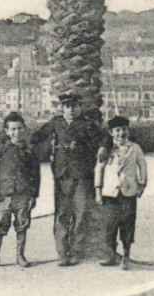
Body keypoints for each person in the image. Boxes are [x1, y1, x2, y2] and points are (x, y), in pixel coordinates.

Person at [33, 94, 105, 266]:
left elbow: (104, 137)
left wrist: (102, 147)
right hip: (62, 174)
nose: (71, 110)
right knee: (62, 213)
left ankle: (75, 250)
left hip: (81, 174)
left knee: (80, 213)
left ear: (80, 107)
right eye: (67, 106)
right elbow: (37, 136)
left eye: (74, 106)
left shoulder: (87, 124)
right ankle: (61, 251)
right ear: (62, 108)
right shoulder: (56, 123)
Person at [0, 110, 38, 268]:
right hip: (4, 195)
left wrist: (33, 195)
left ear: (24, 129)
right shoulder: (1, 151)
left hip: (23, 195)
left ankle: (20, 255)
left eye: (19, 128)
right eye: (13, 129)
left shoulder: (29, 152)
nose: (16, 132)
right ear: (7, 131)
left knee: (22, 225)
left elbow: (36, 174)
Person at [94, 115, 147, 269]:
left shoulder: (135, 148)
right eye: (117, 130)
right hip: (110, 193)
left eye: (124, 129)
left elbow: (142, 166)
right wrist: (98, 190)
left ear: (128, 131)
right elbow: (99, 169)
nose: (121, 133)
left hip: (128, 192)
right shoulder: (105, 149)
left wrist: (142, 184)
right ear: (111, 132)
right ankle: (110, 255)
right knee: (109, 225)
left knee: (127, 225)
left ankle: (126, 256)